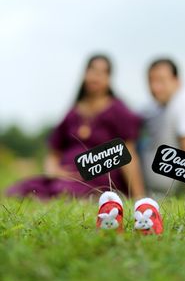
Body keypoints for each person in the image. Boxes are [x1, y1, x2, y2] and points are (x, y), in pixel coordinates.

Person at [7, 55, 145, 199]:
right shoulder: (73, 112)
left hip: (98, 179)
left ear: (109, 78)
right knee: (23, 190)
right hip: (65, 176)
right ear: (85, 73)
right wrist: (53, 170)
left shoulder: (118, 111)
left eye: (102, 72)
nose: (96, 76)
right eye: (92, 70)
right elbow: (54, 151)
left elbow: (128, 153)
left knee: (64, 191)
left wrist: (138, 196)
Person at [139, 58, 185, 202]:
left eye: (161, 81)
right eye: (151, 81)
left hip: (174, 197)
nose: (155, 87)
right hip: (154, 194)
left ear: (176, 80)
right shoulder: (157, 105)